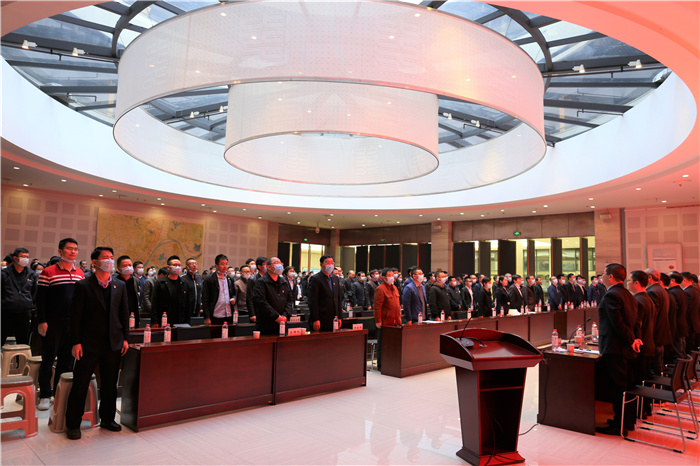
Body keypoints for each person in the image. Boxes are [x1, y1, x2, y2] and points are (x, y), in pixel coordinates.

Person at [65, 246, 129, 440]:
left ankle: (108, 419)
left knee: (110, 384)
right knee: (80, 383)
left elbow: (123, 314)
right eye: (105, 257)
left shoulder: (119, 285)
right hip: (88, 343)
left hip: (113, 342)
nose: (109, 260)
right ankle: (73, 424)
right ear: (95, 262)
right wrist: (76, 342)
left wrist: (125, 338)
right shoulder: (83, 285)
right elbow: (75, 317)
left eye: (111, 257)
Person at [36, 238, 84, 411]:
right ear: (60, 251)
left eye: (75, 249)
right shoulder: (48, 272)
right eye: (69, 248)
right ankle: (44, 394)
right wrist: (42, 320)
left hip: (72, 323)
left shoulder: (80, 273)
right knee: (48, 359)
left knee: (66, 360)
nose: (73, 252)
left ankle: (58, 393)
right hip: (53, 322)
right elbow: (40, 299)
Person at [595, 263, 642, 436]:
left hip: (616, 348)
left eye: (603, 274)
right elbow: (635, 322)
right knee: (624, 386)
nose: (601, 277)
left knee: (617, 388)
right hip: (624, 348)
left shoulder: (611, 295)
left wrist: (631, 339)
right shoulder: (628, 294)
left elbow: (617, 323)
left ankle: (619, 425)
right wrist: (634, 339)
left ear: (611, 277)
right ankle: (626, 421)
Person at [627, 270, 655, 418]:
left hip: (641, 346)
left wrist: (635, 341)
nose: (628, 283)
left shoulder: (637, 300)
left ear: (636, 283)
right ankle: (645, 409)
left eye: (629, 281)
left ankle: (640, 411)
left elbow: (637, 325)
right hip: (649, 344)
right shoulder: (648, 298)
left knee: (639, 381)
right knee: (644, 380)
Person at [1, 247, 38, 346]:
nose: (25, 259)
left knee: (23, 341)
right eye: (22, 256)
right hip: (6, 311)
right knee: (1, 337)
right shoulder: (4, 273)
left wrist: (29, 303)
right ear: (15, 258)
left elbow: (34, 292)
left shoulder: (31, 274)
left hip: (24, 312)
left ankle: (21, 357)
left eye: (27, 257)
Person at [253, 257, 293, 335]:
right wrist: (276, 317)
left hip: (282, 322)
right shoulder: (261, 282)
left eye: (280, 263)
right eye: (276, 263)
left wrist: (285, 315)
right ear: (268, 267)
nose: (279, 265)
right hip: (266, 324)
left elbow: (289, 300)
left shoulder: (284, 282)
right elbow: (261, 302)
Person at [645, 268, 672, 374]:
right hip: (661, 330)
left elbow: (652, 314)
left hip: (655, 332)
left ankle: (657, 382)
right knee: (659, 360)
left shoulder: (652, 291)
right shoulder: (661, 290)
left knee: (656, 365)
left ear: (650, 277)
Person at [374, 267, 401, 371]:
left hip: (396, 321)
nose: (392, 277)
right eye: (389, 275)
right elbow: (377, 307)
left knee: (393, 344)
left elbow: (397, 305)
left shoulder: (395, 288)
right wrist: (378, 321)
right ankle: (381, 365)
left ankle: (391, 363)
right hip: (385, 321)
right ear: (384, 277)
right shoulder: (380, 289)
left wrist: (399, 318)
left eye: (392, 275)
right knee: (383, 344)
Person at [151, 255, 189, 326]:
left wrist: (187, 320)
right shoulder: (160, 282)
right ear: (168, 267)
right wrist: (155, 321)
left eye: (179, 265)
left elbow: (188, 303)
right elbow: (154, 303)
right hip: (164, 318)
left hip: (180, 319)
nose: (177, 267)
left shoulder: (184, 283)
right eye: (175, 265)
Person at [308, 255, 343, 331]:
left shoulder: (335, 278)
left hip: (334, 318)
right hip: (321, 317)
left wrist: (339, 317)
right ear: (321, 264)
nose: (330, 265)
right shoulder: (315, 278)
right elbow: (313, 301)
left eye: (332, 263)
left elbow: (338, 299)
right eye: (327, 263)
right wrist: (315, 319)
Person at [202, 254, 236, 325]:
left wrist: (234, 299)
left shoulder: (230, 279)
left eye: (226, 264)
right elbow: (205, 299)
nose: (225, 266)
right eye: (222, 264)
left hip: (228, 314)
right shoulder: (209, 279)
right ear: (216, 265)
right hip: (215, 315)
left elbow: (234, 294)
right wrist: (207, 317)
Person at [113, 255, 140, 329]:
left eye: (130, 265)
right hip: (118, 315)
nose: (128, 267)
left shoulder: (136, 280)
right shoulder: (113, 281)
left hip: (132, 315)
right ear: (118, 268)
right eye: (125, 266)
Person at [668, 272, 688, 356]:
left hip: (676, 326)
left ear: (672, 280)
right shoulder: (681, 291)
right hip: (682, 325)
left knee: (678, 354)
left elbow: (674, 311)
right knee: (681, 351)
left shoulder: (673, 292)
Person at [681, 272, 700, 351]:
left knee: (690, 347)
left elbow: (687, 309)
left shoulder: (687, 292)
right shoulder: (694, 290)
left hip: (690, 324)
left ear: (684, 280)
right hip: (695, 323)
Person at [246, 257, 267, 324]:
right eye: (265, 264)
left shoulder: (269, 278)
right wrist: (252, 314)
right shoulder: (253, 279)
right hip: (257, 310)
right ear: (259, 266)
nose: (267, 266)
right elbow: (249, 298)